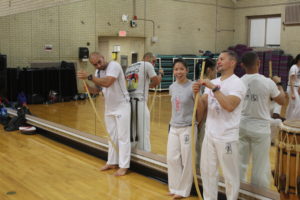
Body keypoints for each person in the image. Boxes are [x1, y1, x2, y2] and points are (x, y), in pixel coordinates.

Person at [193, 50, 246, 200]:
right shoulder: (214, 82)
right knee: (207, 172)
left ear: (232, 62)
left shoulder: (238, 83)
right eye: (218, 59)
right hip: (210, 135)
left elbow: (229, 105)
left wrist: (213, 88)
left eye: (222, 59)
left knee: (230, 175)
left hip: (227, 137)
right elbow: (203, 105)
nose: (218, 61)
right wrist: (195, 94)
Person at [77, 52, 131, 176]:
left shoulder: (114, 66)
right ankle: (112, 162)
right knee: (111, 137)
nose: (98, 65)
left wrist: (89, 77)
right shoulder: (97, 72)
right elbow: (99, 89)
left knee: (123, 137)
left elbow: (107, 82)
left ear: (103, 57)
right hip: (109, 107)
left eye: (99, 62)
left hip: (122, 105)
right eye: (95, 64)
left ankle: (124, 166)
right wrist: (89, 89)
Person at [238, 51, 285, 187]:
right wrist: (279, 84)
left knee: (240, 163)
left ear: (242, 65)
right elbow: (281, 100)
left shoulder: (239, 82)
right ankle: (259, 195)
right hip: (260, 129)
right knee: (260, 165)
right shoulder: (268, 82)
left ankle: (240, 191)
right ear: (259, 63)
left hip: (242, 126)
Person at [167, 59, 196, 199]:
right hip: (174, 126)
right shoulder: (172, 87)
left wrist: (195, 124)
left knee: (187, 160)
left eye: (181, 69)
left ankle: (183, 191)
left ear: (187, 70)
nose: (178, 72)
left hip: (187, 128)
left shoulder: (193, 86)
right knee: (172, 158)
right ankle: (174, 187)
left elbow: (200, 107)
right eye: (176, 69)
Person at [125, 52, 163, 152]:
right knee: (144, 130)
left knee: (132, 131)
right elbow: (156, 82)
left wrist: (147, 86)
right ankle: (145, 154)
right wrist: (160, 74)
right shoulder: (147, 65)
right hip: (139, 102)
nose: (153, 64)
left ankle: (133, 151)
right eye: (153, 61)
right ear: (147, 58)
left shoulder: (130, 66)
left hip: (128, 102)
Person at [196, 58, 217, 170]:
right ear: (209, 70)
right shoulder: (208, 84)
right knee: (201, 148)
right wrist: (200, 122)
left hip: (197, 120)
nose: (216, 73)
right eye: (215, 70)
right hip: (202, 120)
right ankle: (200, 172)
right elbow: (203, 106)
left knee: (198, 148)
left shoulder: (196, 81)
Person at [286, 54, 300, 120]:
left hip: (298, 88)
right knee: (297, 104)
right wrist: (292, 93)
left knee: (291, 105)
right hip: (292, 87)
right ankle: (295, 120)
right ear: (298, 60)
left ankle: (288, 119)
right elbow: (292, 81)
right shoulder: (293, 67)